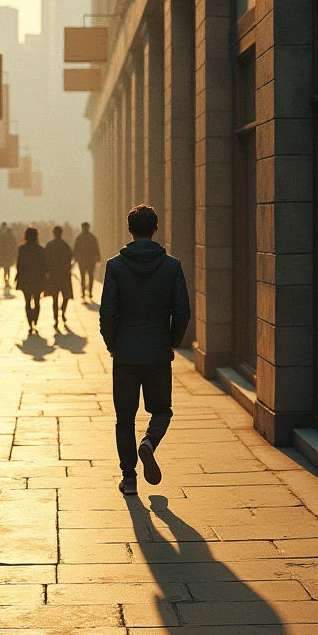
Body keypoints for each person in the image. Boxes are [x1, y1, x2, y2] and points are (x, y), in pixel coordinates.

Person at [99, 204, 190, 496]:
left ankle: (129, 478)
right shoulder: (172, 266)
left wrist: (112, 343)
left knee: (124, 418)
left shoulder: (115, 266)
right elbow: (183, 311)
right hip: (157, 352)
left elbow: (107, 312)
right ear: (155, 229)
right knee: (162, 410)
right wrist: (172, 341)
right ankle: (149, 442)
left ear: (130, 230)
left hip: (125, 353)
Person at [14, 226, 48, 333]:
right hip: (38, 279)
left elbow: (19, 264)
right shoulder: (41, 250)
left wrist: (17, 276)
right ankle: (35, 319)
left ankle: (30, 323)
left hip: (25, 278)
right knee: (37, 301)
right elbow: (45, 265)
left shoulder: (22, 249)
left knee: (27, 301)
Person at [44, 225, 74, 328]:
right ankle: (63, 312)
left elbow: (45, 260)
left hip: (53, 275)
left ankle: (55, 318)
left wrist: (47, 272)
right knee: (66, 296)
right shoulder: (65, 245)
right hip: (64, 274)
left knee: (54, 298)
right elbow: (70, 257)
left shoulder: (49, 245)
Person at [73, 221, 101, 300]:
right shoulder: (92, 237)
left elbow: (75, 249)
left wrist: (75, 258)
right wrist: (98, 257)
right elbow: (96, 248)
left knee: (83, 277)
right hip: (90, 260)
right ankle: (89, 293)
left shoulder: (79, 237)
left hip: (83, 260)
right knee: (90, 276)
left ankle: (83, 292)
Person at [0, 222, 17, 293]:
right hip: (9, 254)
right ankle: (8, 280)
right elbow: (14, 246)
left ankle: (5, 280)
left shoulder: (3, 236)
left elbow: (0, 245)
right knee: (8, 268)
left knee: (5, 268)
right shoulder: (12, 237)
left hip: (4, 254)